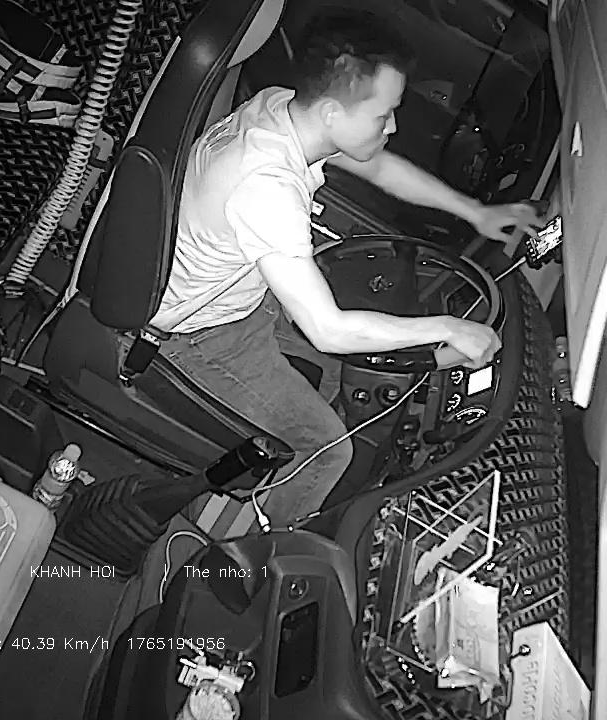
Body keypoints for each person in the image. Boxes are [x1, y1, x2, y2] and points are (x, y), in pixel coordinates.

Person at [153, 10, 543, 535]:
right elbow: (329, 330)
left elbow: (378, 166)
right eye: (384, 115)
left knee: (346, 368)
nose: (393, 126)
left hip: (243, 297)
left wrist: (475, 213)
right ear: (334, 112)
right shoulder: (266, 186)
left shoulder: (281, 107)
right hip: (199, 334)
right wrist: (448, 329)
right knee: (326, 449)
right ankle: (256, 548)